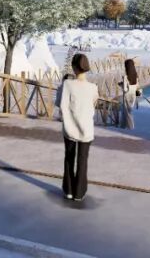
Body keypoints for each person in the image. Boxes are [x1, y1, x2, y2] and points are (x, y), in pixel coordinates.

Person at [54, 53, 98, 201]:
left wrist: (62, 85)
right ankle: (79, 192)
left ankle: (69, 190)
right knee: (82, 160)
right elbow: (93, 105)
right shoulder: (93, 88)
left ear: (74, 67)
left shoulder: (67, 84)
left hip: (70, 127)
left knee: (69, 158)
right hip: (87, 129)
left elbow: (59, 103)